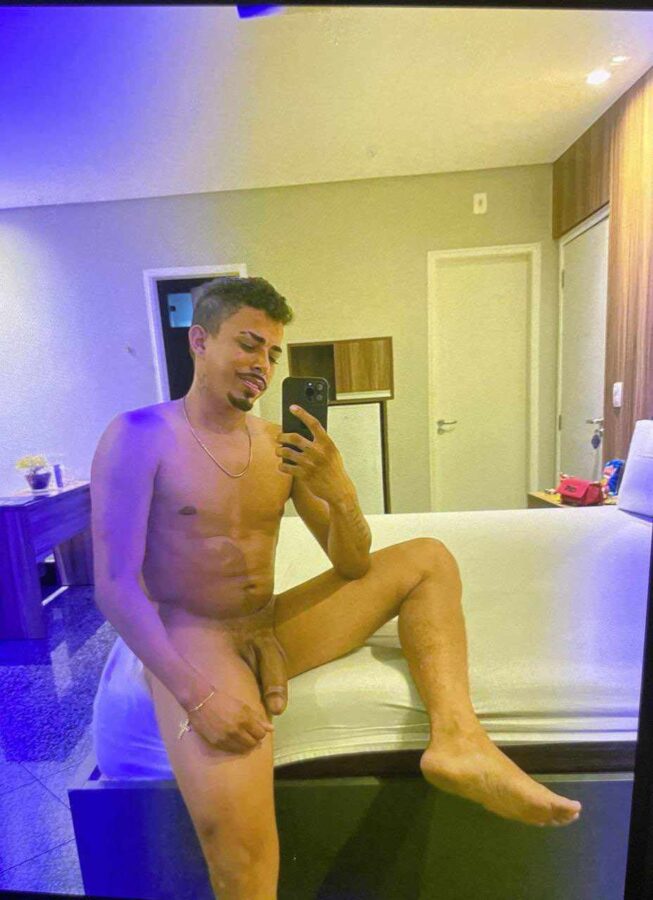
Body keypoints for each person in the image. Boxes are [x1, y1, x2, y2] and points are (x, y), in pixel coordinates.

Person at [90, 276, 582, 899]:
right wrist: (197, 695)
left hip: (267, 622)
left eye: (273, 353)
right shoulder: (138, 436)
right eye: (249, 344)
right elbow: (115, 586)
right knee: (243, 860)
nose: (263, 365)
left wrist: (340, 487)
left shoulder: (281, 445)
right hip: (196, 635)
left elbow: (352, 564)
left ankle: (458, 742)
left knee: (428, 559)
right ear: (200, 341)